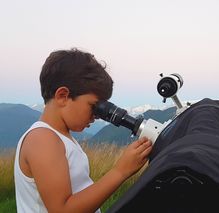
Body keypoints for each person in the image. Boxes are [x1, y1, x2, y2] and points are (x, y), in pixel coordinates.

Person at [14, 48, 153, 213]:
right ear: (63, 96)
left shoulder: (60, 137)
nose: (98, 116)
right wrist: (120, 171)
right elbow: (62, 210)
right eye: (93, 106)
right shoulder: (43, 139)